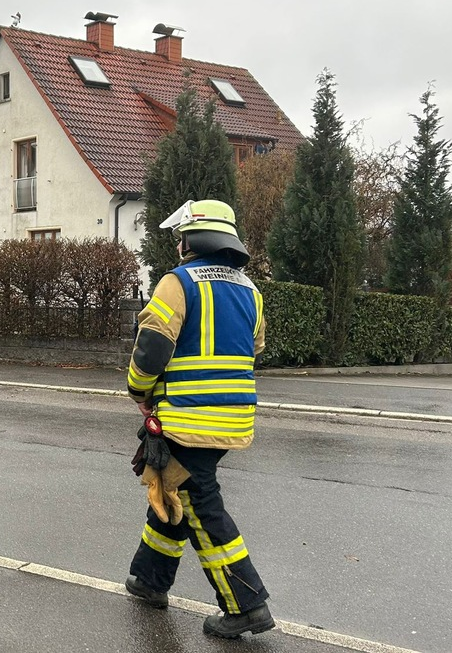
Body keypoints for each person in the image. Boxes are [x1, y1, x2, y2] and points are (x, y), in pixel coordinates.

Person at [123, 199, 275, 639]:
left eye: (181, 237)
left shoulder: (178, 282)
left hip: (189, 420)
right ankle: (148, 580)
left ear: (191, 239)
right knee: (176, 487)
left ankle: (247, 604)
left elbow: (151, 348)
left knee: (202, 506)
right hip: (232, 421)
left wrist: (139, 391)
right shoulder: (250, 289)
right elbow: (256, 347)